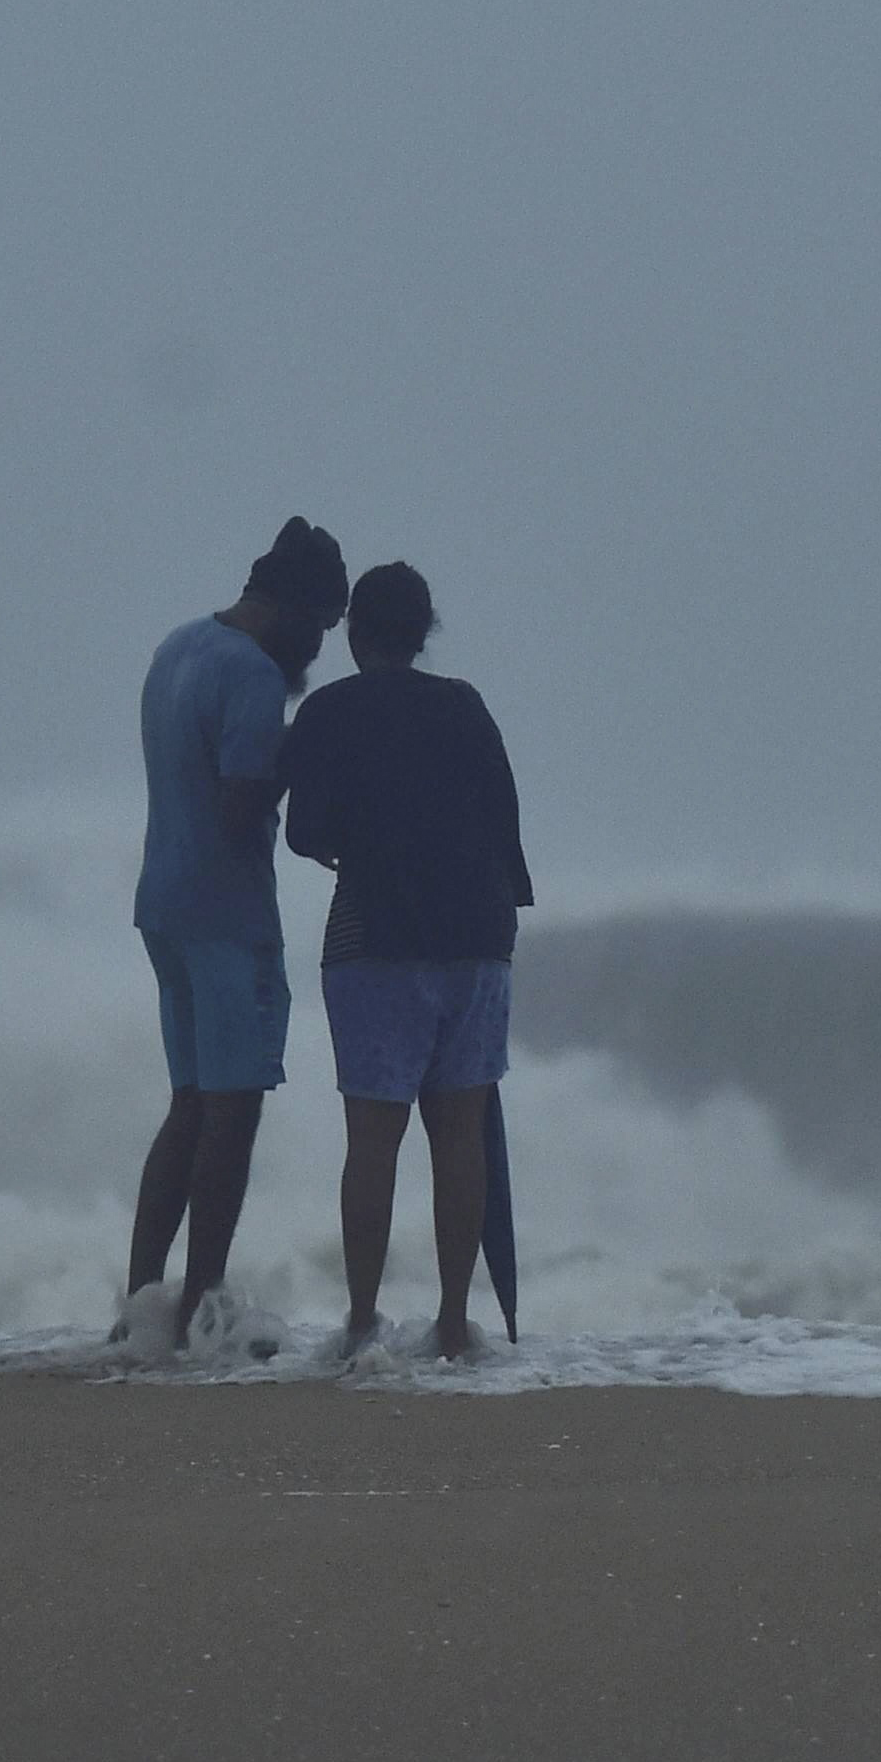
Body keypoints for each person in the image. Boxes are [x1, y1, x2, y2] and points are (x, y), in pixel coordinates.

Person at [278, 561, 532, 1359]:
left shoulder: (329, 710)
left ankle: (360, 1322)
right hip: (476, 940)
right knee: (460, 1133)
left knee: (374, 1136)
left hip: (375, 938)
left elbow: (304, 831)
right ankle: (454, 1321)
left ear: (354, 634)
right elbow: (503, 819)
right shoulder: (465, 707)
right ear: (423, 634)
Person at [126, 516, 351, 1347]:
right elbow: (239, 803)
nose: (319, 649)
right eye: (322, 629)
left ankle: (143, 1299)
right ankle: (201, 1306)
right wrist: (309, 763)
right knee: (232, 1108)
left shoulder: (177, 648)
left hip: (163, 899)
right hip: (226, 911)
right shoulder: (253, 676)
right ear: (292, 609)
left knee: (188, 1101)